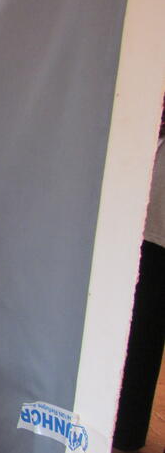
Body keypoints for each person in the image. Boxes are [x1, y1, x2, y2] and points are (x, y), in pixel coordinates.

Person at [112, 94, 165, 452]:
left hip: (153, 227)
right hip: (149, 230)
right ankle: (127, 434)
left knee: (142, 336)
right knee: (141, 337)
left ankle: (127, 433)